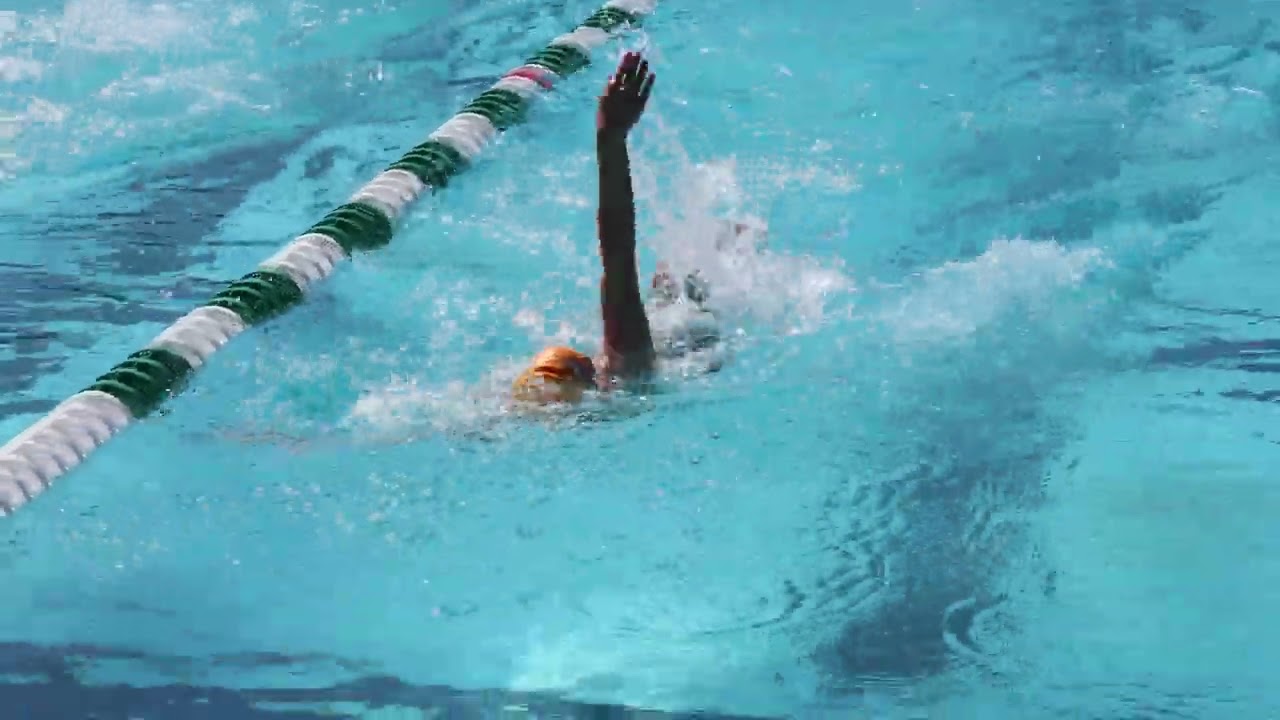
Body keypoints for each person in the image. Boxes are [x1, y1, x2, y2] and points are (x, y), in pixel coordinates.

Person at [512, 51, 749, 406]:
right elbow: (617, 250)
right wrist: (611, 137)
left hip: (677, 332)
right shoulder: (628, 366)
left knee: (678, 282)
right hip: (696, 337)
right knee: (702, 266)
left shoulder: (621, 375)